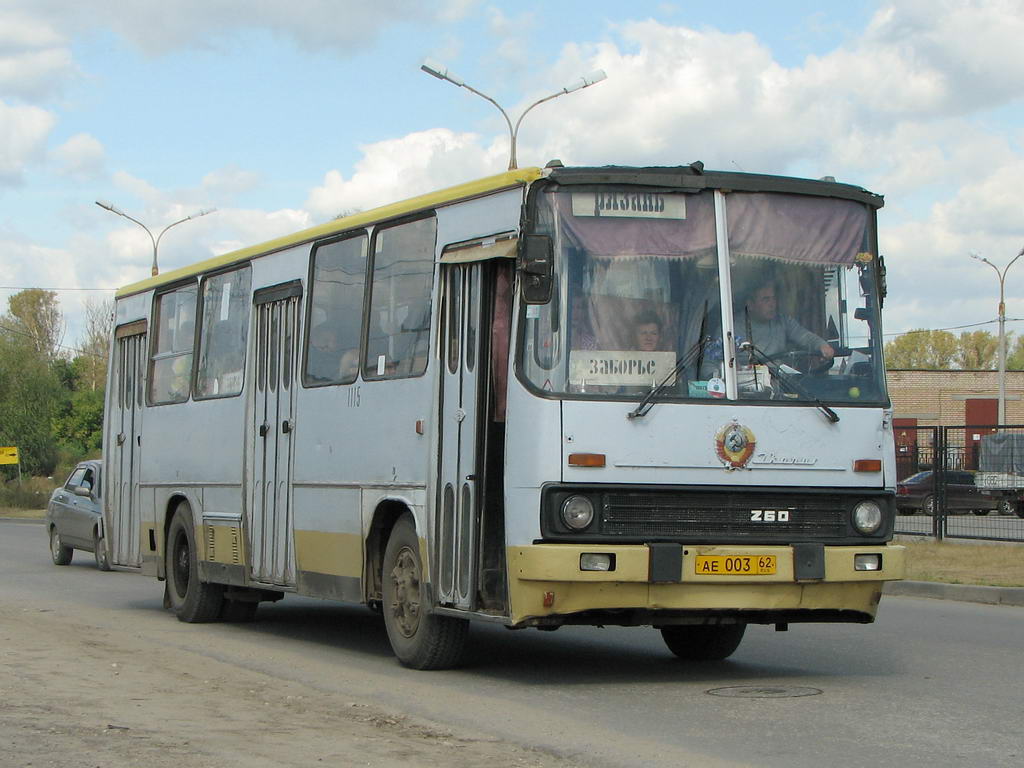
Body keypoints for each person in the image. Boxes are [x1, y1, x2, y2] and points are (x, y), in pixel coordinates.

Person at [739, 281, 834, 362]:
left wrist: (822, 345)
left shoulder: (783, 321)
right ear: (750, 304)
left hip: (780, 380)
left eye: (773, 298)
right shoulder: (735, 327)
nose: (772, 304)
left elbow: (804, 336)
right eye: (766, 299)